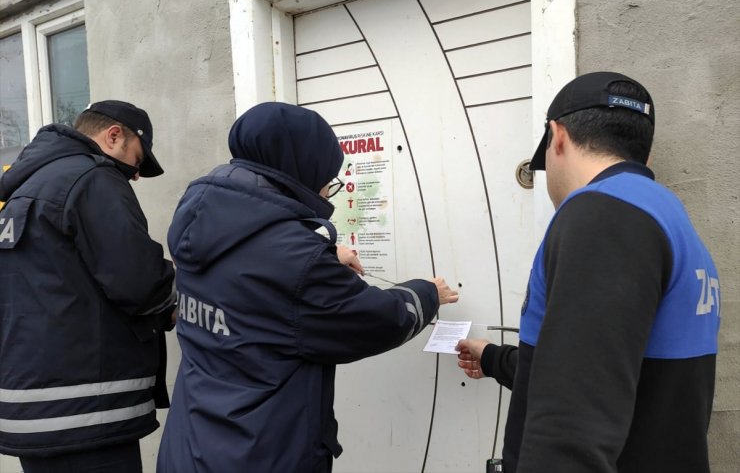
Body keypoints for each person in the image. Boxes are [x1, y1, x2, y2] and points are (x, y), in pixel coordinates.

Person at [157, 102, 458, 473]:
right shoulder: (295, 259)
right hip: (261, 453)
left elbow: (252, 284)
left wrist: (321, 254)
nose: (327, 188)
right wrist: (427, 292)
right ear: (301, 169)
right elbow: (378, 320)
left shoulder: (202, 220)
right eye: (327, 177)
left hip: (191, 445)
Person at [457, 72, 720, 473]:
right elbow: (595, 369)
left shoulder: (601, 215)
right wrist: (492, 357)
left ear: (557, 136)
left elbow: (572, 426)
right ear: (644, 156)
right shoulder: (664, 216)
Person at [0, 101, 177, 473]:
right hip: (86, 412)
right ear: (113, 136)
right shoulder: (92, 178)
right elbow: (138, 282)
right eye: (136, 161)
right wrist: (176, 294)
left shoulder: (23, 191)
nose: (136, 176)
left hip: (31, 404)